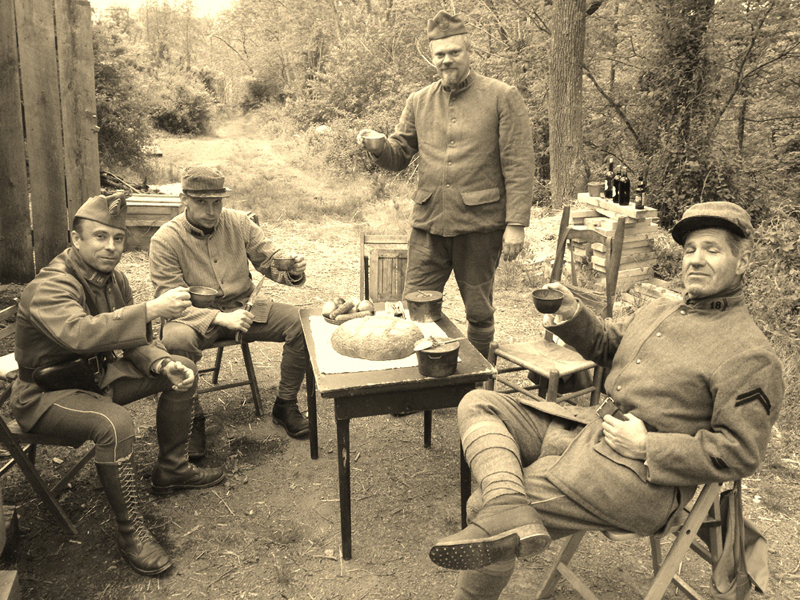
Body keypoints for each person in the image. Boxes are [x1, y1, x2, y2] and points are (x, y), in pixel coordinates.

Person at [429, 201, 784, 599]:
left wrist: (649, 445)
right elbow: (610, 344)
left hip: (638, 479)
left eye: (712, 249)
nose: (696, 260)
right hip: (588, 429)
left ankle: (499, 515)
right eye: (690, 250)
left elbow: (740, 453)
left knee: (483, 511)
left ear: (741, 261)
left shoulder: (750, 354)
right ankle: (508, 501)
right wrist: (571, 313)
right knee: (480, 401)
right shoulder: (661, 309)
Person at [9, 193, 226, 576]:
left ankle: (172, 469)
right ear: (76, 240)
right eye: (100, 237)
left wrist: (160, 362)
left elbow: (136, 340)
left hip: (96, 378)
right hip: (45, 395)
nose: (111, 247)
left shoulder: (116, 279)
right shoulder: (52, 285)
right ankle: (131, 533)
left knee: (183, 370)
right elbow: (79, 334)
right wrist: (150, 309)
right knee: (115, 425)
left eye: (118, 239)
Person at [357, 11, 535, 358]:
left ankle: (479, 381)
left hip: (479, 227)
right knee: (415, 305)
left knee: (480, 313)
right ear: (431, 56)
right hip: (428, 225)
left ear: (469, 51)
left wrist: (516, 225)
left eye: (454, 52)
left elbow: (518, 164)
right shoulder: (418, 101)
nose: (446, 60)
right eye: (439, 54)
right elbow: (400, 153)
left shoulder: (502, 96)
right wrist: (378, 147)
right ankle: (418, 380)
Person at [149, 166, 310, 453]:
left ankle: (285, 404)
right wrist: (220, 318)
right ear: (184, 199)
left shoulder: (240, 223)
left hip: (244, 308)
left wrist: (291, 267)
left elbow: (270, 261)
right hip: (193, 316)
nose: (211, 211)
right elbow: (169, 302)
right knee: (174, 341)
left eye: (217, 202)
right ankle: (191, 418)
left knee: (300, 323)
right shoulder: (165, 239)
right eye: (201, 202)